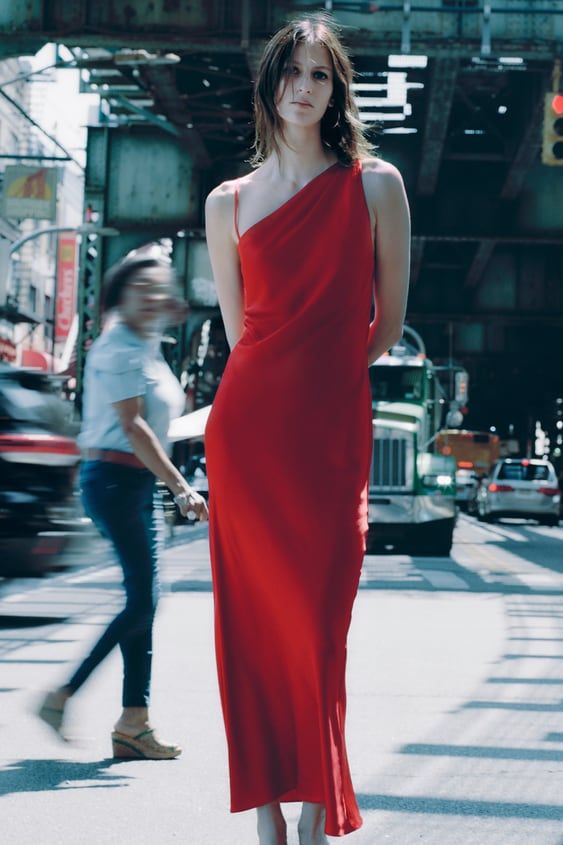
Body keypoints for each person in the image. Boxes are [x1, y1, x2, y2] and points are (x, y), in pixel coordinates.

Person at [204, 13, 410, 845]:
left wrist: (323, 375)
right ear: (269, 84)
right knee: (249, 625)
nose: (301, 86)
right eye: (290, 71)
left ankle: (317, 805)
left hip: (329, 437)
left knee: (320, 622)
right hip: (247, 435)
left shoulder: (375, 185)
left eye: (319, 74)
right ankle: (267, 819)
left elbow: (386, 324)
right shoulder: (228, 202)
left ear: (336, 91)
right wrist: (288, 375)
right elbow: (236, 332)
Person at [38, 248, 208, 759]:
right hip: (112, 479)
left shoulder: (146, 343)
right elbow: (133, 427)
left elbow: (153, 423)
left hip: (133, 484)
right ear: (121, 294)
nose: (153, 296)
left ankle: (135, 722)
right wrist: (181, 485)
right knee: (143, 600)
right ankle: (63, 695)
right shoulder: (119, 347)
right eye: (143, 289)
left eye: (160, 288)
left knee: (145, 599)